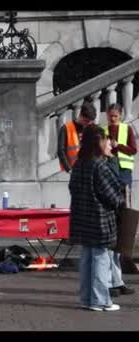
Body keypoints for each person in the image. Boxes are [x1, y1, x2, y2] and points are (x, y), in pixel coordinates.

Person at [69, 124, 126, 311]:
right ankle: (100, 300)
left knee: (86, 259)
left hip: (82, 218)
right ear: (98, 142)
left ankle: (86, 298)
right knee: (102, 259)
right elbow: (111, 195)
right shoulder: (99, 164)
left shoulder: (79, 163)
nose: (107, 142)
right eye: (104, 139)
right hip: (100, 219)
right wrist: (120, 201)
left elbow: (72, 188)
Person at [102, 104, 138, 275]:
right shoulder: (103, 129)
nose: (113, 119)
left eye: (115, 116)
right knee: (111, 210)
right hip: (109, 171)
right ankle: (113, 248)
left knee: (124, 211)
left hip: (123, 173)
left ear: (121, 115)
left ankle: (124, 254)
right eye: (110, 116)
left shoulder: (127, 128)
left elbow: (133, 150)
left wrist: (117, 146)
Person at [57, 102, 97, 173]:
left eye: (90, 122)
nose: (88, 124)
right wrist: (68, 168)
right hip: (73, 169)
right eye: (86, 121)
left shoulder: (91, 128)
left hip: (89, 168)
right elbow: (61, 150)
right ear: (80, 116)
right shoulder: (66, 128)